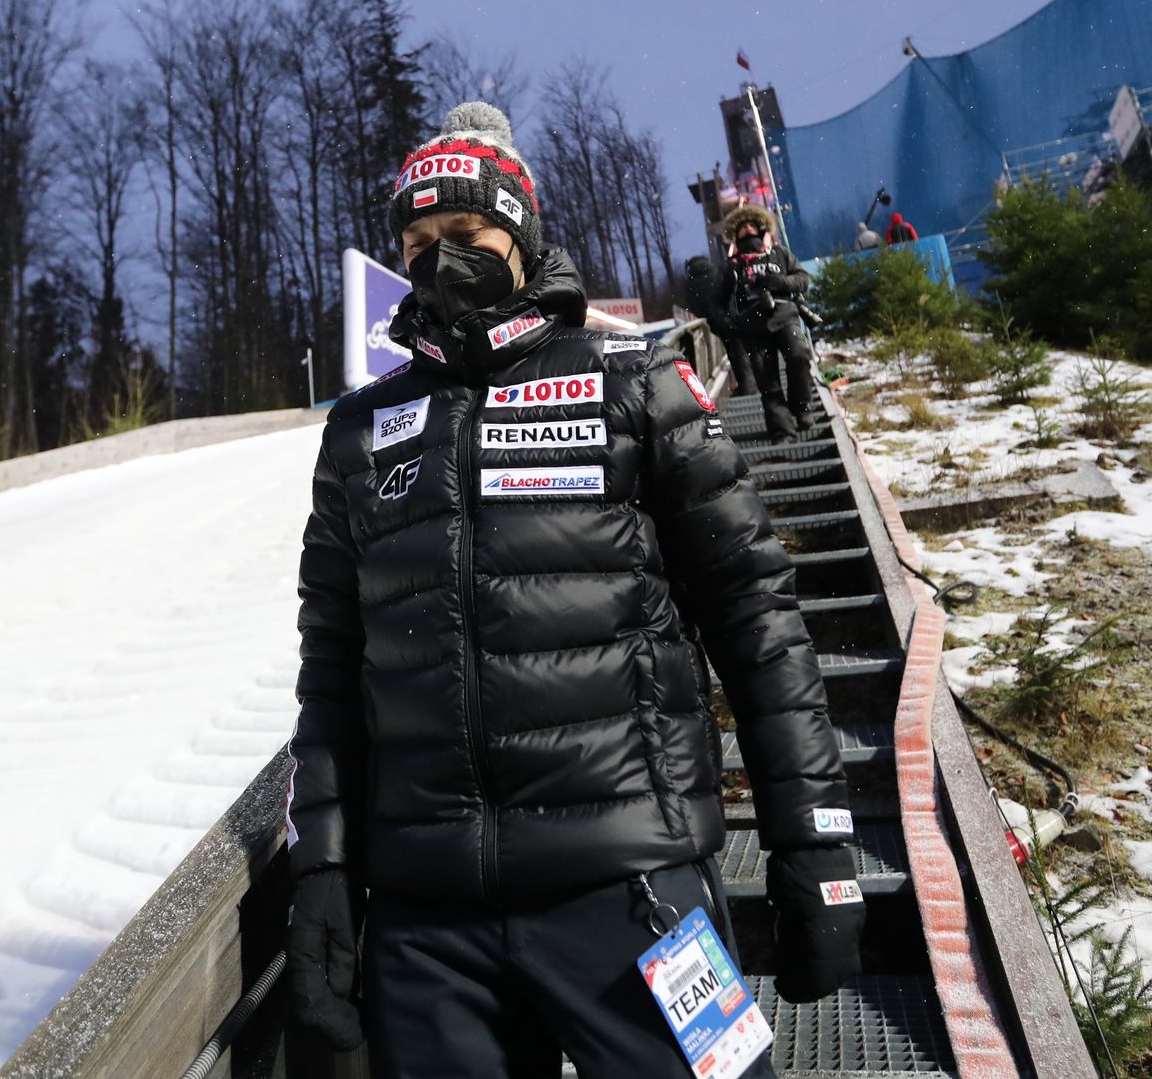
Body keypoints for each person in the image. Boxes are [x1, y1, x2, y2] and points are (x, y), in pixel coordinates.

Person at [285, 101, 862, 1078]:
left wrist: (812, 842)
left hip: (637, 895)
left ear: (520, 235)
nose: (437, 260)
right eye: (417, 242)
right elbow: (332, 675)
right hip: (430, 933)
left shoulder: (633, 387)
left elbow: (757, 622)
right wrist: (324, 879)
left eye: (464, 236)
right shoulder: (360, 434)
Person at [712, 205, 818, 444]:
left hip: (784, 314)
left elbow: (803, 279)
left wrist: (779, 281)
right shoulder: (732, 266)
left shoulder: (780, 254)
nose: (747, 230)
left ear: (761, 229)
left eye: (752, 225)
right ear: (735, 234)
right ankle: (783, 432)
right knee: (767, 381)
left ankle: (802, 407)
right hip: (752, 326)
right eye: (742, 227)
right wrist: (728, 322)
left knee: (799, 356)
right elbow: (717, 302)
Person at [685, 254, 757, 396]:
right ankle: (751, 386)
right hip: (731, 315)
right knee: (741, 351)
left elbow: (693, 305)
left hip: (716, 322)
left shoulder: (690, 283)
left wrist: (710, 316)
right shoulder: (716, 271)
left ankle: (748, 387)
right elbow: (728, 290)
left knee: (734, 353)